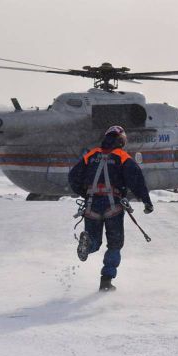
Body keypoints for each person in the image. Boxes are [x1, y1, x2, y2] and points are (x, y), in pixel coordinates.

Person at [68, 125, 154, 292]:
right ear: (121, 141)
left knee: (95, 241)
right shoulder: (122, 157)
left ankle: (88, 243)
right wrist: (146, 201)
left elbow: (73, 176)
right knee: (114, 244)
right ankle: (106, 281)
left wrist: (85, 193)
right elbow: (136, 180)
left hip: (92, 205)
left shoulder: (91, 155)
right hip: (113, 206)